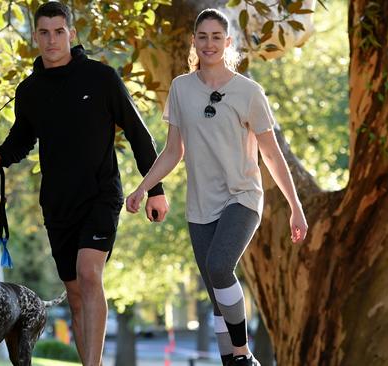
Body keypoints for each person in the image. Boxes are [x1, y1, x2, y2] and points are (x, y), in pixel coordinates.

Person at [0, 2, 169, 365]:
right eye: (44, 33)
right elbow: (22, 137)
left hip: (100, 195)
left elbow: (138, 134)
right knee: (75, 293)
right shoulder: (30, 90)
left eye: (59, 31)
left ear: (71, 33)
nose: (52, 40)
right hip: (57, 203)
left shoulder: (101, 78)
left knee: (88, 274)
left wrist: (155, 189)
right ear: (35, 37)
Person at [126, 8, 308, 366]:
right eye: (202, 36)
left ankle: (243, 354)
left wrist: (296, 207)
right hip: (200, 205)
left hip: (242, 196)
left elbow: (271, 155)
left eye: (216, 37)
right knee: (217, 295)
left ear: (227, 43)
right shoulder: (181, 88)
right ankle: (233, 361)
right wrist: (144, 187)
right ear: (194, 41)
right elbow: (172, 151)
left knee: (220, 265)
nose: (209, 43)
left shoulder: (249, 92)